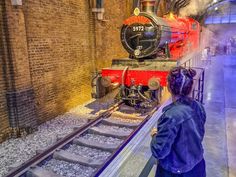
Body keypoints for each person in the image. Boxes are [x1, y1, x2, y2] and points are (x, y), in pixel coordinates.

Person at [150, 66, 206, 177]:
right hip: (198, 165)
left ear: (169, 87)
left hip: (175, 172)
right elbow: (197, 134)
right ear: (190, 87)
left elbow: (159, 152)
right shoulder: (198, 106)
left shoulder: (171, 116)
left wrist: (155, 136)